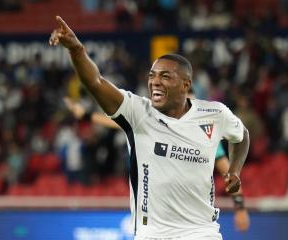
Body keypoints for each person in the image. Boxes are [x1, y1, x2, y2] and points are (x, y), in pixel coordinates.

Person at [50, 16, 250, 239]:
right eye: (152, 76)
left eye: (165, 76)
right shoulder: (138, 112)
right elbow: (96, 82)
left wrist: (234, 170)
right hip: (152, 234)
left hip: (201, 232)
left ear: (186, 84)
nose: (155, 81)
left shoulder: (214, 114)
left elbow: (241, 136)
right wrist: (77, 50)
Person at [63, 97, 251, 232]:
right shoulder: (153, 124)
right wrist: (86, 116)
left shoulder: (203, 138)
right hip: (159, 224)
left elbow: (229, 172)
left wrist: (240, 207)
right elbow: (118, 121)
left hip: (193, 223)